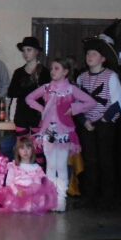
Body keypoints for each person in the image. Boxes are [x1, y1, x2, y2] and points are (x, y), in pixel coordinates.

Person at [26, 58, 96, 212]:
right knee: (50, 165)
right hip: (48, 131)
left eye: (57, 68)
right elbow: (29, 98)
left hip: (64, 132)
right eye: (52, 68)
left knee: (61, 165)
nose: (53, 71)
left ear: (65, 71)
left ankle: (61, 198)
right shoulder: (46, 88)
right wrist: (42, 109)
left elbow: (91, 102)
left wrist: (74, 108)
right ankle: (51, 197)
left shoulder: (71, 89)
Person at [75, 36, 121, 210]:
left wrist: (104, 119)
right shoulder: (82, 78)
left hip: (105, 123)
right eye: (88, 53)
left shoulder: (110, 76)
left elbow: (118, 102)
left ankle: (107, 198)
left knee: (105, 160)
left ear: (103, 58)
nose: (90, 56)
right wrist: (84, 120)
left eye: (94, 53)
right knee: (90, 160)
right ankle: (90, 196)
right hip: (88, 124)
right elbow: (77, 103)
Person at [1, 136, 58, 214]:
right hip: (16, 192)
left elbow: (37, 184)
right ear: (18, 151)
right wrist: (16, 191)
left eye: (28, 148)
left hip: (30, 193)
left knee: (35, 202)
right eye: (22, 148)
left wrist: (27, 192)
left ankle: (26, 206)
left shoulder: (36, 168)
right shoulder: (13, 166)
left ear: (32, 150)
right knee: (11, 203)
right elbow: (9, 182)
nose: (25, 151)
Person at [8, 37, 50, 137]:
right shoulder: (18, 72)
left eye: (29, 50)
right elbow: (11, 92)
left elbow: (48, 95)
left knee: (37, 144)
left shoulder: (44, 72)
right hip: (21, 116)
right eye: (24, 50)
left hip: (38, 116)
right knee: (22, 145)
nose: (26, 53)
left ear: (36, 52)